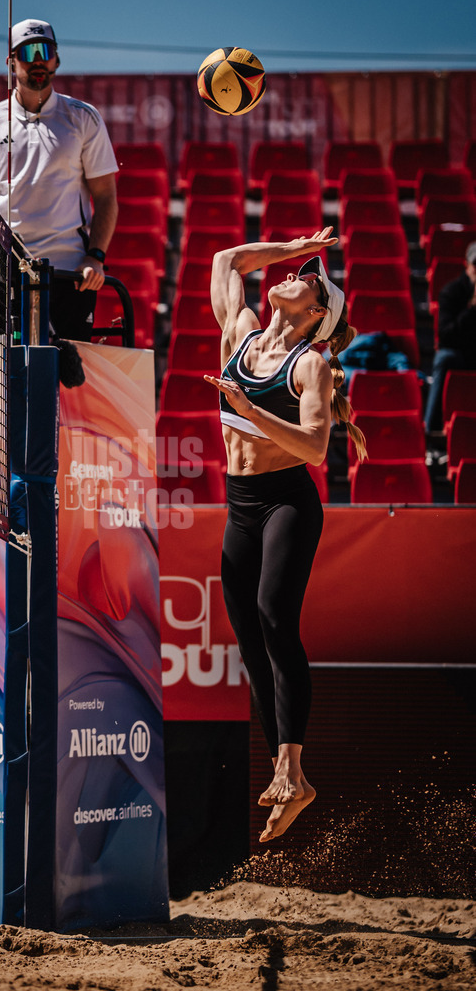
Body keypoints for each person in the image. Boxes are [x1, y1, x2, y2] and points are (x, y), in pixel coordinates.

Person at [203, 228, 366, 844]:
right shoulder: (239, 333)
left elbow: (317, 449)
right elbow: (227, 260)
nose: (298, 272)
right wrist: (292, 250)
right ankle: (289, 774)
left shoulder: (313, 364)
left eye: (310, 277)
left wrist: (251, 412)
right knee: (249, 639)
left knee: (275, 617)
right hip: (240, 504)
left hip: (288, 503)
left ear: (317, 313)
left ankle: (293, 767)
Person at [0, 18, 118, 341]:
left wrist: (95, 257)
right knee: (0, 385)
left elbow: (105, 196)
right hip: (1, 273)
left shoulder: (83, 118)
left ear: (56, 59)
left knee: (67, 380)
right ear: (11, 62)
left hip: (70, 275)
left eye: (44, 50)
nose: (37, 60)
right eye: (27, 52)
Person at [424, 241, 476, 433]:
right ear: (467, 265)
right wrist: (472, 309)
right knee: (444, 358)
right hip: (460, 352)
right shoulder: (451, 292)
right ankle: (432, 430)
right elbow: (445, 336)